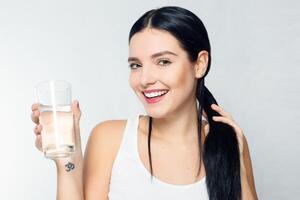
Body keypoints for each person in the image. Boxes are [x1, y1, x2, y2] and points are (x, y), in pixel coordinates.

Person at [31, 6, 258, 200]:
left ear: (199, 64)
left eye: (163, 61)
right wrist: (66, 159)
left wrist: (236, 159)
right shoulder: (110, 139)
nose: (145, 79)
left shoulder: (229, 140)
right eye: (135, 65)